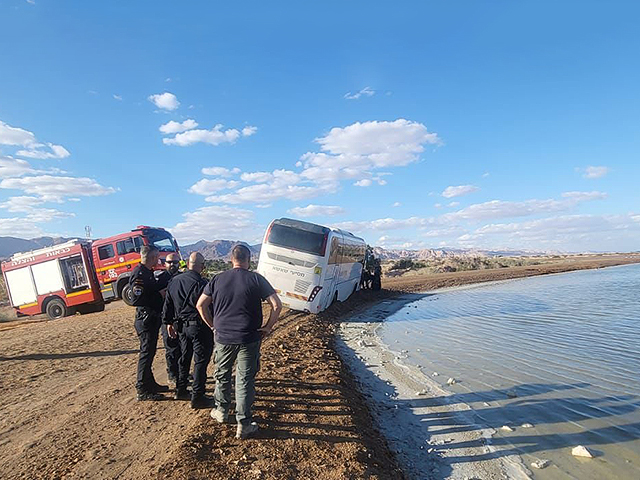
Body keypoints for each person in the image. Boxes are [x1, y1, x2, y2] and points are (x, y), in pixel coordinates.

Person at [196, 244, 282, 439]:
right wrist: (268, 327)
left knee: (222, 374)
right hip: (248, 338)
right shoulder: (256, 279)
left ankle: (221, 411)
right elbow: (276, 305)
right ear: (248, 259)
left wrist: (212, 325)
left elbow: (201, 305)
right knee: (244, 380)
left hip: (223, 337)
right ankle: (243, 423)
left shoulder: (217, 279)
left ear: (231, 259)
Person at [162, 252, 213, 409]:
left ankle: (181, 389)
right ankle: (198, 396)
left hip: (182, 327)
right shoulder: (203, 283)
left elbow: (168, 304)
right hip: (199, 327)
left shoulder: (174, 281)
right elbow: (209, 306)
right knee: (200, 361)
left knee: (184, 358)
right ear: (201, 266)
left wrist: (168, 322)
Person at [130, 245, 169, 401]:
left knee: (150, 352)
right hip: (145, 320)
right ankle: (142, 388)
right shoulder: (139, 274)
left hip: (151, 319)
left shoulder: (148, 273)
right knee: (146, 353)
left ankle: (150, 383)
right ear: (152, 257)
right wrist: (158, 295)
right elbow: (136, 299)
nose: (158, 259)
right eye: (156, 257)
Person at [157, 252, 182, 385]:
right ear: (165, 263)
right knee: (171, 347)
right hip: (167, 317)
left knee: (182, 347)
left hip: (180, 317)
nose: (172, 265)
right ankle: (172, 374)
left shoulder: (182, 277)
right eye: (170, 262)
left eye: (175, 262)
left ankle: (182, 372)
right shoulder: (161, 279)